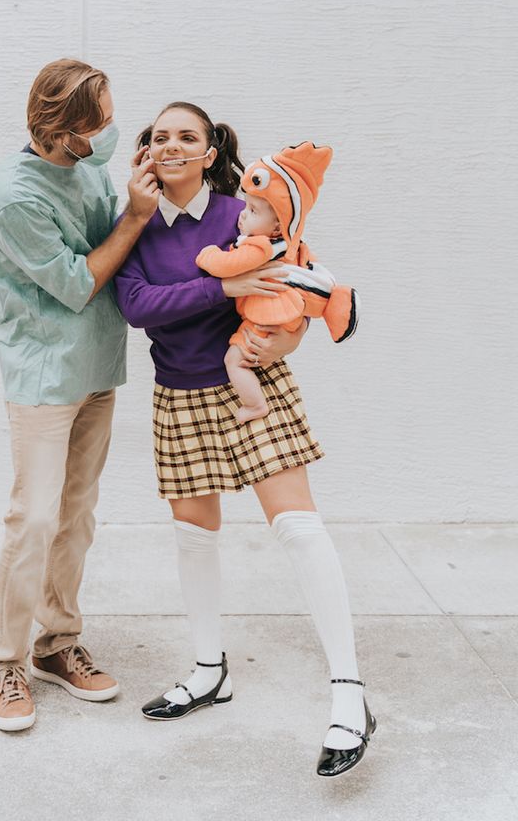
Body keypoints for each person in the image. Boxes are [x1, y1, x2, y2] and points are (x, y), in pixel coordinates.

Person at [113, 102, 376, 779]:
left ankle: (349, 692)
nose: (171, 144)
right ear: (145, 152)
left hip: (251, 392)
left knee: (298, 529)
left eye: (187, 137)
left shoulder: (242, 212)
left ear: (209, 152)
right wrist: (223, 284)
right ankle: (210, 672)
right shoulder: (135, 225)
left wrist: (284, 333)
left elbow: (297, 292)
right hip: (178, 395)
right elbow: (138, 307)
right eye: (159, 136)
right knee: (193, 536)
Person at [0, 58, 159, 732]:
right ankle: (5, 661)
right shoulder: (13, 197)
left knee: (76, 517)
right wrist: (136, 218)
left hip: (96, 367)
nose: (110, 130)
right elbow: (79, 282)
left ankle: (57, 644)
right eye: (100, 121)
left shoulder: (86, 166)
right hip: (44, 378)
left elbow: (106, 235)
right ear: (63, 128)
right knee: (32, 519)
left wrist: (142, 194)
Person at [195, 142, 359, 424]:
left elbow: (226, 265)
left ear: (276, 227)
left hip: (264, 322)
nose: (243, 214)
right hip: (283, 318)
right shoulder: (290, 247)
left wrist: (207, 255)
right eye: (246, 206)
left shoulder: (260, 248)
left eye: (253, 211)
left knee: (233, 361)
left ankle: (255, 404)